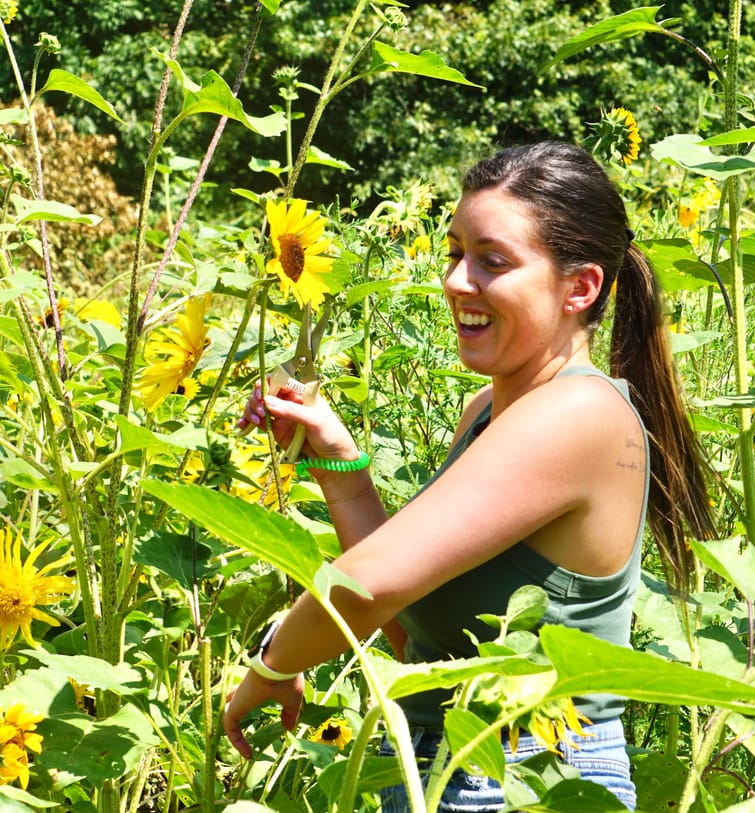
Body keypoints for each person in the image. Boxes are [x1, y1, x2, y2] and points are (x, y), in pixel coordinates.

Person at [224, 141, 715, 811]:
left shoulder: (579, 412)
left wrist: (271, 661)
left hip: (534, 773)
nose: (457, 281)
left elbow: (370, 583)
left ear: (581, 287)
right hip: (446, 767)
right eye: (455, 253)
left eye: (493, 260)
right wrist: (338, 463)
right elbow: (411, 627)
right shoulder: (484, 410)